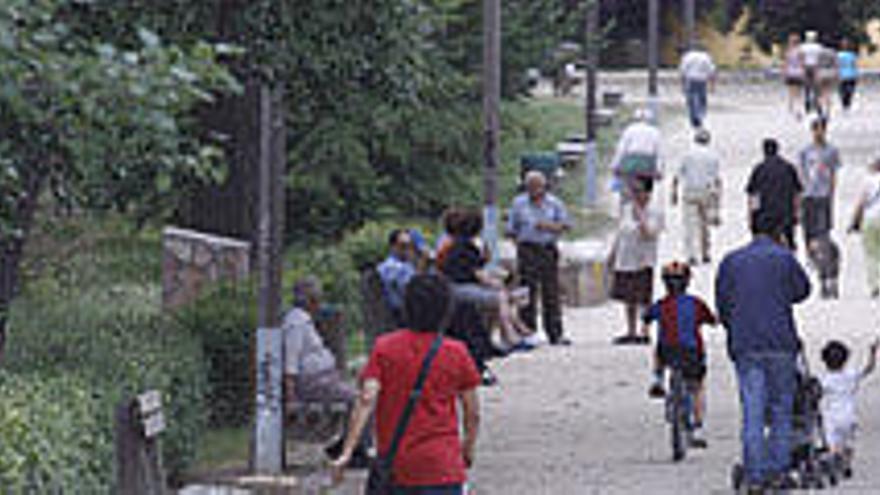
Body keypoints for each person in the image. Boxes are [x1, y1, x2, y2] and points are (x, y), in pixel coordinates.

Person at [331, 274, 481, 494]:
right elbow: (472, 411)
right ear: (446, 310)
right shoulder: (456, 352)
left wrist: (347, 452)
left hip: (397, 466)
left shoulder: (384, 347)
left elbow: (366, 399)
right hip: (442, 465)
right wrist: (468, 448)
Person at [715, 210, 811, 492]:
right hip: (781, 341)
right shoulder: (784, 259)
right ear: (779, 232)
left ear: (751, 227)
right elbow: (802, 291)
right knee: (781, 408)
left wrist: (734, 327)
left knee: (753, 409)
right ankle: (777, 469)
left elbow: (723, 304)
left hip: (746, 342)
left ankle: (755, 474)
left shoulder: (731, 261)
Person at [644, 261, 717, 448]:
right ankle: (697, 426)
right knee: (698, 386)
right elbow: (712, 320)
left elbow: (646, 318)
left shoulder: (661, 304)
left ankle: (658, 378)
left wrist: (646, 329)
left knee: (658, 350)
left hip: (667, 351)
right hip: (692, 352)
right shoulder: (696, 303)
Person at [442, 209, 533, 352]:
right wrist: (499, 283)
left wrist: (485, 261)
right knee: (500, 297)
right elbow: (477, 274)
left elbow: (471, 269)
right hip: (459, 288)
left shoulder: (455, 244)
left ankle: (502, 335)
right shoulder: (466, 247)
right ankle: (511, 335)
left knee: (499, 296)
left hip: (454, 286)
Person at [506, 170, 572, 346]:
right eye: (531, 187)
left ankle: (555, 333)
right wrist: (518, 245)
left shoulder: (554, 203)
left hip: (547, 248)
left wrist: (549, 226)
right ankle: (528, 331)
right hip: (527, 248)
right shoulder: (518, 203)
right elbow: (511, 229)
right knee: (527, 291)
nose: (534, 190)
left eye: (538, 186)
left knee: (551, 291)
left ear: (544, 187)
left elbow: (566, 225)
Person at [610, 177, 664, 345]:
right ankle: (631, 330)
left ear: (648, 193)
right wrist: (612, 254)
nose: (635, 195)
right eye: (633, 191)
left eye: (639, 191)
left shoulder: (655, 211)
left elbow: (649, 233)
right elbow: (620, 233)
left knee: (643, 298)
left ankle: (645, 330)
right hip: (625, 258)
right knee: (628, 298)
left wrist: (640, 216)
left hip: (643, 260)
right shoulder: (626, 209)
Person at [818, 338, 878, 478]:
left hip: (831, 418)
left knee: (832, 444)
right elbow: (868, 369)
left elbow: (815, 392)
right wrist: (873, 353)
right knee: (848, 444)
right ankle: (846, 465)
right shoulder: (850, 375)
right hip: (849, 416)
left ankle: (834, 461)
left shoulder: (824, 380)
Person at [799, 117, 842, 274]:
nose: (819, 133)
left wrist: (832, 192)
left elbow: (834, 173)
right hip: (808, 194)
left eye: (822, 129)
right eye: (816, 129)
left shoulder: (831, 151)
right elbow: (801, 172)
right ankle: (810, 254)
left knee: (823, 228)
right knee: (808, 227)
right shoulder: (805, 151)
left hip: (823, 194)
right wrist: (800, 193)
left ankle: (823, 256)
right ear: (812, 131)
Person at [672, 128, 721, 265]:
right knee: (705, 225)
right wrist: (718, 203)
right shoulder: (713, 156)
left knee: (690, 225)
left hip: (690, 192)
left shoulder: (687, 155)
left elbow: (677, 175)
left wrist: (674, 193)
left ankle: (692, 255)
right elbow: (717, 180)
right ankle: (706, 253)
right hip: (707, 191)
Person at [746, 138, 802, 250]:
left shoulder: (758, 170)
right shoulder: (789, 168)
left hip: (764, 219)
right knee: (788, 249)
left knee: (764, 251)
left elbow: (753, 197)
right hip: (785, 217)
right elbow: (797, 194)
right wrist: (796, 214)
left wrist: (751, 219)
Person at [609, 108, 662, 210]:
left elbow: (621, 149)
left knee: (629, 188)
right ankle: (642, 206)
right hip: (647, 165)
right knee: (646, 190)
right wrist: (659, 170)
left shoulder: (629, 130)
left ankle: (627, 199)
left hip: (631, 164)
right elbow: (659, 153)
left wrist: (615, 165)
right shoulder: (655, 132)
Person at [848, 157, 880, 298]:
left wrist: (854, 222)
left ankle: (875, 285)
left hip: (870, 220)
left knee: (871, 255)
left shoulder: (868, 181)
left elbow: (860, 204)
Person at [378, 229, 418, 326]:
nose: (408, 249)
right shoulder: (391, 267)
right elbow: (412, 291)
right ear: (393, 247)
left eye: (410, 246)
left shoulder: (406, 265)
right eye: (403, 246)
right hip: (400, 317)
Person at [678, 43, 716, 129]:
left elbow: (683, 71)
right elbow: (711, 71)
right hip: (702, 80)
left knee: (691, 99)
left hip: (691, 79)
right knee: (702, 98)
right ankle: (701, 115)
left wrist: (682, 84)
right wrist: (712, 85)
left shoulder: (687, 57)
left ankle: (694, 118)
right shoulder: (706, 57)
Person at [799, 30, 827, 116]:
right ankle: (816, 101)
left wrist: (802, 67)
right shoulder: (819, 47)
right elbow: (821, 58)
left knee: (807, 86)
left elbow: (801, 58)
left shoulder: (802, 47)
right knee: (816, 86)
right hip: (816, 67)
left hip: (806, 67)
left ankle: (807, 101)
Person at [782, 33, 805, 118]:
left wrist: (784, 73)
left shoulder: (788, 52)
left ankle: (791, 107)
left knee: (791, 91)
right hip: (799, 73)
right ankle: (798, 108)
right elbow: (802, 63)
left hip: (790, 73)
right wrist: (803, 73)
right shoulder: (800, 51)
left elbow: (786, 63)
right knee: (798, 92)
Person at [837, 39, 859, 112]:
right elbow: (854, 65)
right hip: (851, 74)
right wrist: (856, 74)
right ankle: (847, 102)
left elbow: (837, 65)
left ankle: (844, 102)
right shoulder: (852, 55)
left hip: (842, 74)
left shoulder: (838, 55)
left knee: (842, 89)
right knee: (850, 89)